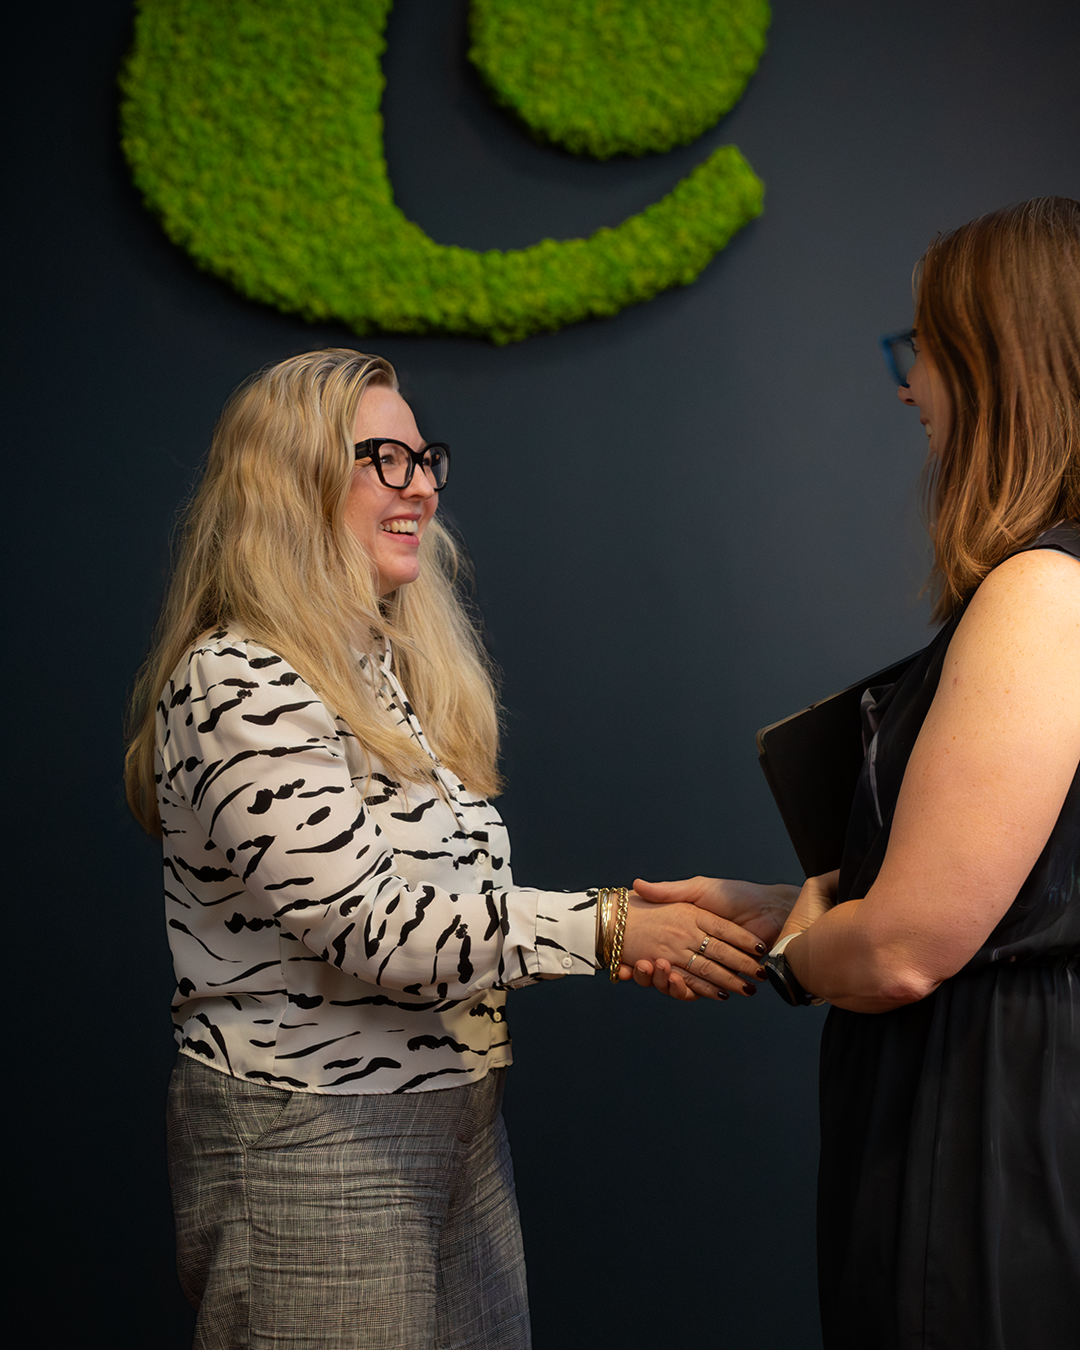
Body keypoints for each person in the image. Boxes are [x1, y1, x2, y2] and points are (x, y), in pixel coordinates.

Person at [124, 348, 790, 1350]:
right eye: (383, 459)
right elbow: (372, 925)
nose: (423, 484)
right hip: (318, 1138)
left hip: (458, 1119)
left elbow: (450, 912)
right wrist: (612, 928)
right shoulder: (241, 679)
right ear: (288, 477)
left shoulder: (384, 670)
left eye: (425, 458)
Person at [643, 197, 1080, 1347]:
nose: (907, 387)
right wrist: (767, 910)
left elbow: (900, 950)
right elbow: (998, 902)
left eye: (924, 349)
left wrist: (794, 951)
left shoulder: (1044, 592)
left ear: (1000, 365)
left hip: (993, 1129)